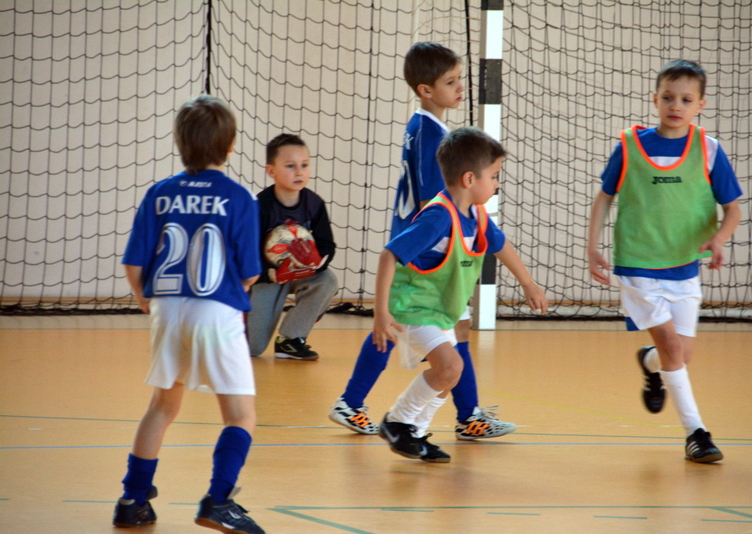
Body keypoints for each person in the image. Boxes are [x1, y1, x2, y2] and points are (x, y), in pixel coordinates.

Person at [329, 42, 518, 440]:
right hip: (427, 256)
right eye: (450, 82)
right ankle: (465, 417)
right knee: (439, 328)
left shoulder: (421, 126)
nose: (460, 88)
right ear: (425, 89)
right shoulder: (432, 135)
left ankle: (357, 401)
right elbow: (437, 203)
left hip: (418, 247)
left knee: (398, 325)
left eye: (459, 79)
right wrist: (449, 239)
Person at [113, 95, 265, 533]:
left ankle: (132, 500)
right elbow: (250, 272)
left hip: (166, 308)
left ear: (180, 143)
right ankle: (218, 501)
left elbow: (134, 263)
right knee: (240, 415)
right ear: (230, 145)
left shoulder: (159, 193)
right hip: (215, 311)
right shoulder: (238, 197)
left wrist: (146, 300)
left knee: (162, 406)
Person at [587, 59, 742, 463]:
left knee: (678, 356)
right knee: (673, 348)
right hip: (638, 265)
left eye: (686, 100)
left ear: (700, 105)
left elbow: (733, 209)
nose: (676, 105)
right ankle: (697, 434)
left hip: (684, 267)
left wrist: (719, 239)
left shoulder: (709, 149)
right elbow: (604, 197)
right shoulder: (629, 146)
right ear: (655, 99)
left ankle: (649, 361)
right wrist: (592, 246)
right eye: (669, 97)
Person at [374, 126, 548, 462]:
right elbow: (389, 255)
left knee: (448, 377)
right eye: (494, 176)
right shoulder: (439, 217)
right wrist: (381, 312)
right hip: (413, 307)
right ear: (469, 179)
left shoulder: (477, 214)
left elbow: (500, 245)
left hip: (441, 311)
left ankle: (416, 434)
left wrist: (528, 283)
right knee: (451, 367)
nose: (497, 184)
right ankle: (398, 422)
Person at [246, 133, 337, 361]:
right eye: (290, 166)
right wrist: (270, 273)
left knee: (328, 280)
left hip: (300, 274)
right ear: (271, 171)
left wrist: (315, 262)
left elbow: (327, 245)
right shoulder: (260, 206)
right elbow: (248, 252)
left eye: (304, 165)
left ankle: (290, 340)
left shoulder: (314, 204)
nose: (299, 172)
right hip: (268, 278)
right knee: (253, 349)